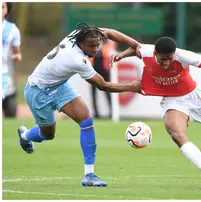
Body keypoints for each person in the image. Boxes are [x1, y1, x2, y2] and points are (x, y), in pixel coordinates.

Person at [17, 23, 142, 187]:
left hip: (59, 85)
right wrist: (131, 87)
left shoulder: (80, 34)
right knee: (48, 134)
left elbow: (109, 32)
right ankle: (25, 136)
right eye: (92, 46)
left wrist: (135, 45)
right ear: (81, 43)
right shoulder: (77, 60)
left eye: (98, 44)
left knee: (86, 120)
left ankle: (89, 175)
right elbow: (103, 85)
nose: (96, 48)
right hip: (38, 91)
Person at [111, 37, 201, 188]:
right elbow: (136, 49)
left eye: (170, 59)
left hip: (194, 97)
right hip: (173, 101)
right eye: (163, 59)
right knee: (176, 134)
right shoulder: (147, 51)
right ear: (155, 53)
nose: (166, 63)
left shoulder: (184, 56)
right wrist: (122, 55)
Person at [2, 2, 22, 116]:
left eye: (2, 7)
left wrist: (17, 56)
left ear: (7, 10)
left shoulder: (12, 29)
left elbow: (17, 52)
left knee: (8, 100)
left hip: (4, 71)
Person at [89, 39, 117, 118]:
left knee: (108, 92)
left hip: (104, 73)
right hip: (94, 73)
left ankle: (112, 112)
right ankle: (96, 113)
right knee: (94, 94)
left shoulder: (107, 47)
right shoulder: (92, 49)